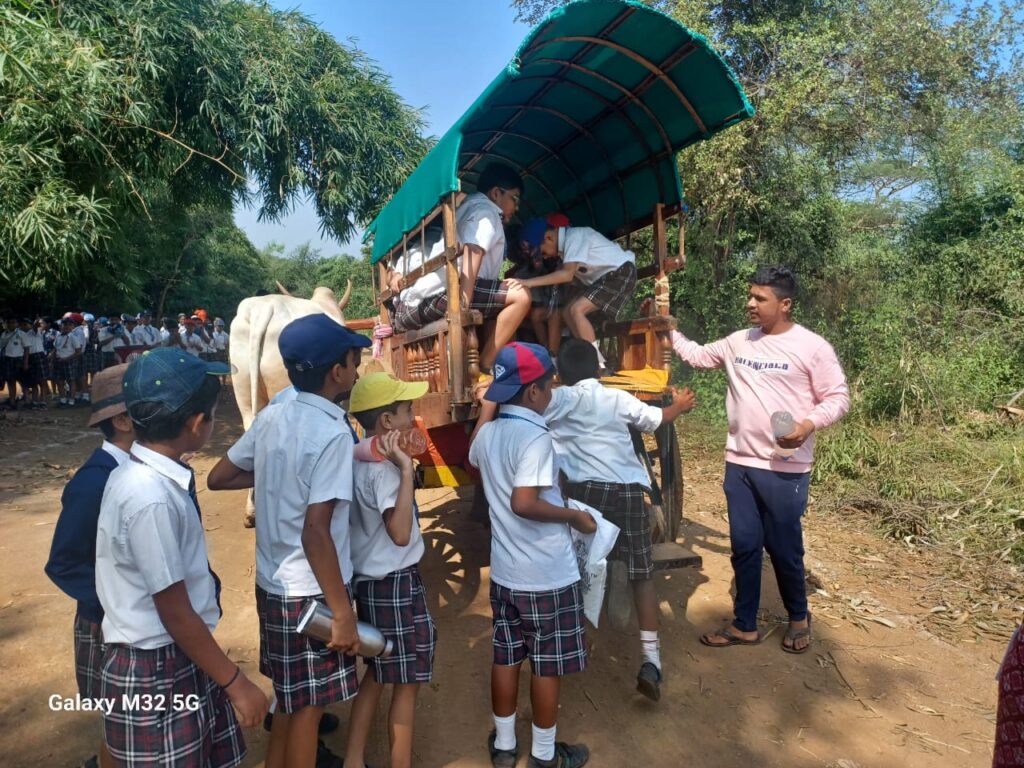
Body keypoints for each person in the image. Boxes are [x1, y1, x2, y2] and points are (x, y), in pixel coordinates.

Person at [207, 313, 372, 768]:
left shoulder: (273, 414)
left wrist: (277, 475)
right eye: (354, 361)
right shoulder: (333, 433)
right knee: (308, 711)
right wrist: (342, 613)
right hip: (312, 595)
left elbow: (219, 477)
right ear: (337, 372)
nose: (357, 368)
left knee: (289, 699)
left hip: (273, 586)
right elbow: (316, 533)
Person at [94, 348, 268, 766]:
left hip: (180, 655)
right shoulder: (150, 497)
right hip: (157, 667)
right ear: (196, 423)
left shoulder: (145, 476)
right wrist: (235, 681)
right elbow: (173, 610)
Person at [667, 266, 850, 653]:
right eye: (750, 295)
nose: (750, 303)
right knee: (745, 546)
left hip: (785, 468)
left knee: (784, 549)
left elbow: (838, 397)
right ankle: (744, 624)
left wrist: (807, 425)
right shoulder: (738, 342)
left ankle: (798, 618)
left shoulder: (812, 347)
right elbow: (697, 356)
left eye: (760, 298)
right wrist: (667, 328)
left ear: (785, 304)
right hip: (740, 464)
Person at [545, 339, 695, 701]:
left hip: (584, 495)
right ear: (599, 371)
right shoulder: (616, 397)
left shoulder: (557, 399)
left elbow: (528, 409)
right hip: (627, 492)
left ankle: (576, 641)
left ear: (559, 375)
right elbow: (657, 420)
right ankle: (651, 660)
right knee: (642, 573)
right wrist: (679, 405)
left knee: (576, 568)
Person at [469, 342, 595, 768]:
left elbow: (473, 454)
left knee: (506, 657)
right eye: (549, 386)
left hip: (506, 573)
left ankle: (505, 746)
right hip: (546, 575)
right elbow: (524, 502)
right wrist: (574, 517)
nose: (551, 393)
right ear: (535, 392)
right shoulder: (536, 437)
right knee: (546, 664)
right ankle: (543, 754)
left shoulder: (488, 435)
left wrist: (488, 404)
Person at [44, 364, 133, 768]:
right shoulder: (93, 482)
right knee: (122, 721)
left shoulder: (141, 471)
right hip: (107, 624)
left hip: (135, 622)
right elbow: (64, 563)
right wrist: (115, 600)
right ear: (123, 420)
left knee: (133, 720)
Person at [344, 372, 434, 768]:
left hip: (372, 582)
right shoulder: (383, 471)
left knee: (378, 674)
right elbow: (399, 533)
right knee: (407, 681)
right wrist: (405, 471)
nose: (412, 417)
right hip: (394, 584)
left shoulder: (357, 458)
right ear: (387, 422)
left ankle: (353, 760)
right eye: (407, 410)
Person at [391, 163, 532, 373]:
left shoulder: (468, 207)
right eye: (515, 199)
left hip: (426, 296)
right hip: (446, 292)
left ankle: (496, 362)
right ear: (496, 193)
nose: (516, 207)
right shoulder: (487, 212)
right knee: (522, 296)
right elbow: (473, 250)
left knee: (501, 303)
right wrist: (463, 303)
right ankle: (486, 364)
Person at [512, 221, 637, 371]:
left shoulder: (575, 236)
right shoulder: (566, 250)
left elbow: (567, 274)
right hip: (605, 279)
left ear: (548, 238)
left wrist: (529, 282)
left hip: (620, 273)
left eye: (542, 253)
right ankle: (587, 357)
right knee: (567, 312)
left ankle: (597, 365)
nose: (544, 258)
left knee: (577, 310)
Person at [507, 215, 569, 352]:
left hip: (569, 300)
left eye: (542, 252)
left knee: (555, 314)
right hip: (552, 299)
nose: (544, 256)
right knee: (537, 315)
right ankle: (546, 352)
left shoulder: (567, 253)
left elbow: (567, 277)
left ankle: (552, 354)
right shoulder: (532, 268)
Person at [53, 317, 84, 408]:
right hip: (59, 361)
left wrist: (67, 359)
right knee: (59, 381)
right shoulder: (58, 336)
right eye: (65, 324)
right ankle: (63, 400)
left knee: (71, 381)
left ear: (73, 326)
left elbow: (78, 351)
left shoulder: (73, 337)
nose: (66, 326)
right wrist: (51, 358)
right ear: (61, 326)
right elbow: (55, 349)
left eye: (69, 325)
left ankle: (71, 401)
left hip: (69, 362)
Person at [1, 317, 28, 409]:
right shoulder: (4, 334)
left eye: (13, 322)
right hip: (7, 359)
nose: (11, 325)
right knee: (10, 381)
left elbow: (27, 348)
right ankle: (12, 401)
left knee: (23, 381)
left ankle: (26, 401)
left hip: (18, 359)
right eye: (9, 323)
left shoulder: (21, 334)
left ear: (17, 324)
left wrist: (25, 362)